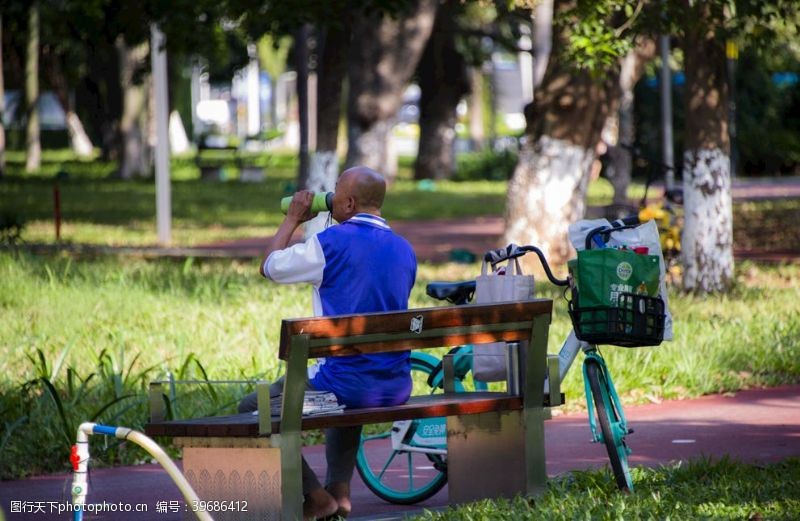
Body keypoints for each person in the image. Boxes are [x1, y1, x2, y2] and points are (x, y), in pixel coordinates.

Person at [238, 166, 417, 520]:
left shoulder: (331, 244)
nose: (330, 196)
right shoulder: (404, 249)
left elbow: (270, 266)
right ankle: (340, 491)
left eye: (335, 191)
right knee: (346, 381)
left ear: (348, 203)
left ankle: (315, 498)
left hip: (345, 384)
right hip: (395, 385)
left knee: (249, 408)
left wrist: (292, 219)